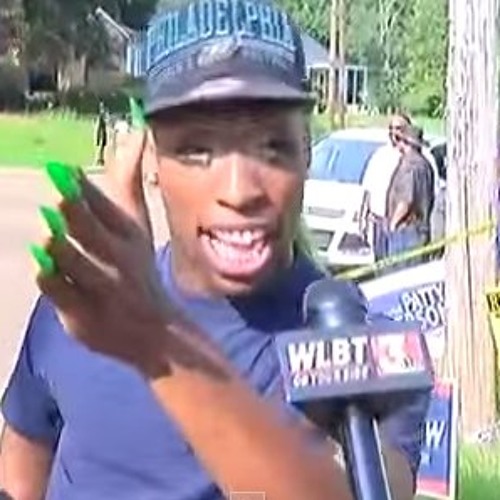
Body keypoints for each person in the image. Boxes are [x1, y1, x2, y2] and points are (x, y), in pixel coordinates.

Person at [0, 1, 429, 499]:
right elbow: (19, 467)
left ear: (307, 152)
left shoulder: (370, 356)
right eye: (196, 149)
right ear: (150, 159)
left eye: (272, 147)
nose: (240, 190)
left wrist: (156, 340)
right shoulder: (82, 311)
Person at [385, 124, 435, 270]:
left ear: (405, 142)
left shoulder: (410, 166)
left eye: (399, 139)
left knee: (400, 275)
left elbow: (406, 201)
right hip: (421, 230)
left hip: (406, 231)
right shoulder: (426, 165)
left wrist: (393, 224)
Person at [94, 101, 108, 167]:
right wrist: (98, 137)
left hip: (103, 134)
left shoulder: (103, 116)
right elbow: (98, 128)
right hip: (101, 135)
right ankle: (98, 159)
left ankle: (101, 159)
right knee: (100, 147)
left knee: (102, 147)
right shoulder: (100, 117)